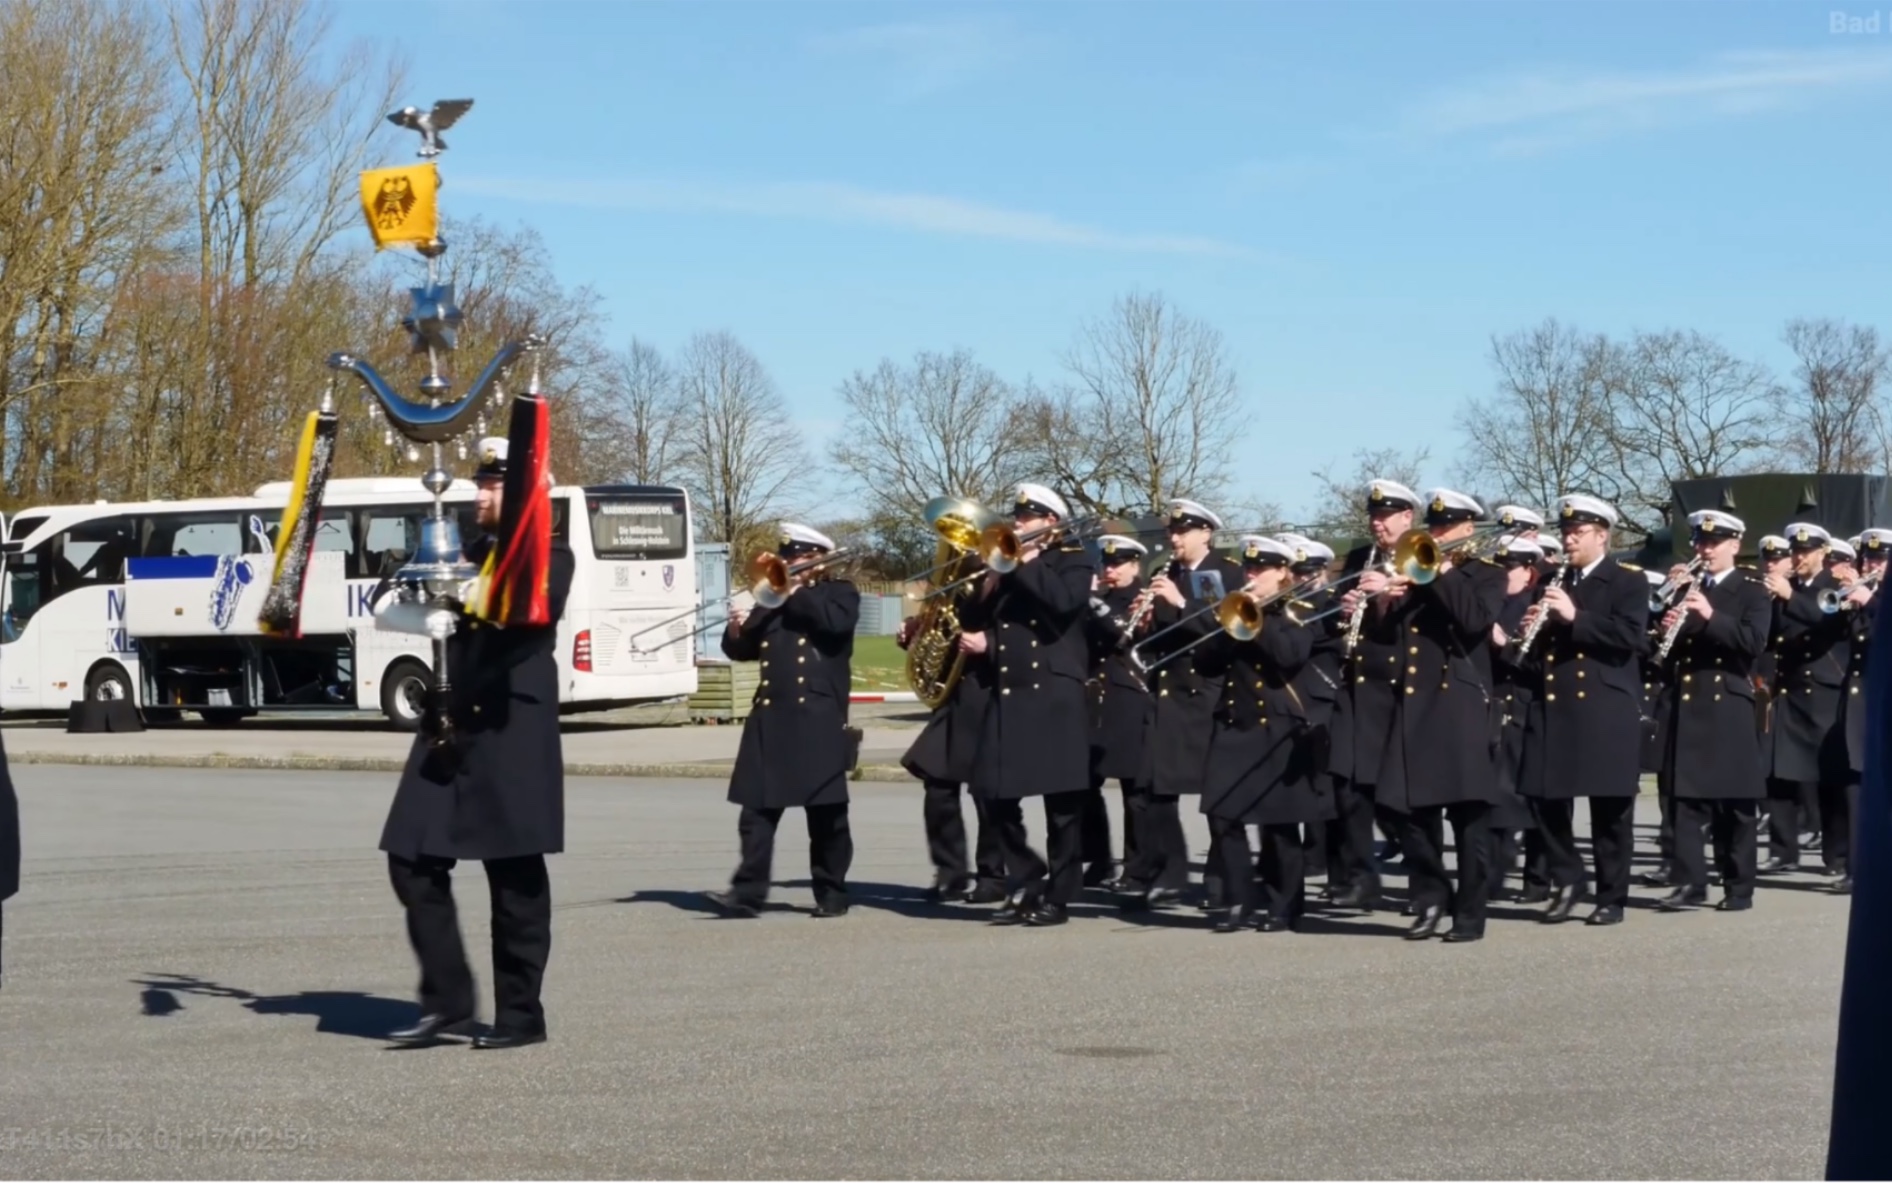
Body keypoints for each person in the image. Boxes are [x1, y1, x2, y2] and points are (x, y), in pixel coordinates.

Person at [379, 436, 574, 1050]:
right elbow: (415, 604)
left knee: (513, 875)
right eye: (481, 483)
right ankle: (449, 1001)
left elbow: (528, 612)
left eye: (494, 486)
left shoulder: (550, 554)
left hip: (511, 730)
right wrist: (408, 601)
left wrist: (459, 594)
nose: (480, 494)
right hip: (450, 724)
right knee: (410, 856)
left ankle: (521, 1015)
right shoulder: (461, 550)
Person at [1344, 488, 1507, 942]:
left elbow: (1474, 620)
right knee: (1401, 809)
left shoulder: (1485, 574)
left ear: (1469, 529)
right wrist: (1378, 603)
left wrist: (1440, 570)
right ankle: (1433, 896)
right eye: (1433, 528)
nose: (1437, 535)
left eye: (1447, 527)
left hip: (1459, 705)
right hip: (1411, 705)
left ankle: (1470, 915)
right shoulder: (1411, 571)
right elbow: (1385, 642)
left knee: (1468, 819)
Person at [958, 483, 1098, 926]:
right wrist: (986, 584)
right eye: (1017, 517)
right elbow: (975, 621)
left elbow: (1061, 605)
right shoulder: (1006, 562)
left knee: (1062, 807)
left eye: (1028, 517)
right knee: (988, 790)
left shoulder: (1074, 561)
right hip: (1009, 689)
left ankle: (1058, 896)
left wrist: (1022, 564)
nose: (1017, 523)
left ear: (1051, 523)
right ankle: (1029, 876)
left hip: (1054, 693)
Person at [706, 524, 861, 919]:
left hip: (817, 714)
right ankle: (747, 893)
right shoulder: (770, 600)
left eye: (796, 558)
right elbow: (741, 649)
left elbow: (834, 625)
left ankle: (831, 891)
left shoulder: (839, 592)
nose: (788, 564)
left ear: (816, 559)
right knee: (755, 811)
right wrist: (737, 623)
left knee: (826, 814)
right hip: (770, 715)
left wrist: (792, 592)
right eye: (785, 557)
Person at [1514, 495, 1649, 927]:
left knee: (1610, 812)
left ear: (1602, 535)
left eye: (1579, 533)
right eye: (1567, 532)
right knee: (1539, 795)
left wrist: (1575, 616)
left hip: (1605, 708)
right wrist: (1527, 632)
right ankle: (1570, 876)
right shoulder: (1553, 579)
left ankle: (1612, 897)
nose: (1570, 540)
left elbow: (1631, 637)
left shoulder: (1627, 581)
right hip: (1554, 707)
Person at [1119, 498, 1244, 910]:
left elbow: (1223, 631)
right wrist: (1144, 622)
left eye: (1182, 531)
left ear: (1205, 533)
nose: (1174, 538)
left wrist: (1180, 603)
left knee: (1217, 797)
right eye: (1171, 532)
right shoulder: (1166, 573)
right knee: (1155, 793)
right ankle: (1170, 872)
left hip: (1207, 694)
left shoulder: (1224, 574)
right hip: (1167, 695)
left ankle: (1222, 879)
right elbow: (1158, 640)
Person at [1199, 536, 1328, 932]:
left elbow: (1289, 656)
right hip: (1234, 722)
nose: (1251, 575)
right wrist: (1225, 623)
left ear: (1283, 573)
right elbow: (1206, 664)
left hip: (1278, 726)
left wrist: (1256, 620)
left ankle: (1283, 904)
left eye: (1260, 570)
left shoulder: (1299, 610)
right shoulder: (1233, 609)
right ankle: (1240, 898)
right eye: (1248, 569)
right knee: (1222, 816)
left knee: (1278, 825)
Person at [1654, 510, 1769, 913]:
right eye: (1700, 542)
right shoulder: (1688, 588)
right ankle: (1690, 882)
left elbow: (1754, 641)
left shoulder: (1751, 590)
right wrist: (1667, 620)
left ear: (1734, 546)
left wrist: (1708, 616)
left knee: (1734, 806)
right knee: (1682, 801)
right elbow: (1664, 651)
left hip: (1727, 705)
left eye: (1713, 543)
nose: (1704, 550)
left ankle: (1739, 886)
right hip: (1686, 702)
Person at [1323, 479, 1422, 912]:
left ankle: (1425, 881)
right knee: (1347, 787)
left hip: (1396, 686)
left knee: (1399, 798)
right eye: (1373, 516)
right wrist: (1343, 608)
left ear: (1407, 517)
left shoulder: (1420, 555)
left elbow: (1421, 623)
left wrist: (1384, 597)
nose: (1377, 524)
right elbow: (1334, 614)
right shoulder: (1362, 556)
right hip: (1355, 682)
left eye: (1386, 516)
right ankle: (1361, 878)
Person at [896, 568, 1007, 904]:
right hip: (955, 698)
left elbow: (1032, 636)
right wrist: (918, 636)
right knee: (938, 784)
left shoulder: (1017, 580)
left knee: (989, 793)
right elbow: (945, 633)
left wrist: (990, 643)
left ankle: (992, 875)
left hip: (992, 694)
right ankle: (950, 870)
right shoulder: (958, 585)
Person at [1761, 522, 1848, 874]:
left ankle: (1837, 856)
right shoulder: (1785, 587)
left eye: (1806, 552)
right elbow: (1771, 639)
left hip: (1824, 689)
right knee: (1779, 774)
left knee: (1829, 780)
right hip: (1789, 688)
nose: (1799, 558)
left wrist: (1790, 598)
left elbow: (1828, 624)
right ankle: (1782, 850)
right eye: (1795, 551)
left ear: (1823, 554)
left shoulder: (1835, 586)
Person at [1083, 534, 1158, 892]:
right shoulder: (1098, 599)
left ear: (1135, 566)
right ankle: (1098, 859)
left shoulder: (1144, 598)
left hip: (1131, 698)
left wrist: (1092, 600)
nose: (1109, 570)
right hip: (1094, 700)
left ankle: (1137, 867)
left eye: (1117, 564)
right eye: (1106, 563)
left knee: (1135, 790)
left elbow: (1121, 634)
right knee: (1085, 784)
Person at [1486, 535, 1545, 903]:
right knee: (1493, 793)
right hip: (1491, 705)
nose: (1503, 574)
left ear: (1528, 572)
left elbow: (1538, 664)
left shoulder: (1535, 606)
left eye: (1510, 568)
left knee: (1531, 796)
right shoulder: (1489, 602)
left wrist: (1502, 644)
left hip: (1525, 705)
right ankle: (1491, 874)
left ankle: (1538, 878)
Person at [1828, 528, 1887, 895]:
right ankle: (1855, 867)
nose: (1871, 565)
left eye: (1879, 559)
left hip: (1882, 702)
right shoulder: (1861, 596)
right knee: (1852, 787)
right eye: (1867, 558)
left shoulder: (1879, 600)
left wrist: (1872, 603)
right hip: (1856, 705)